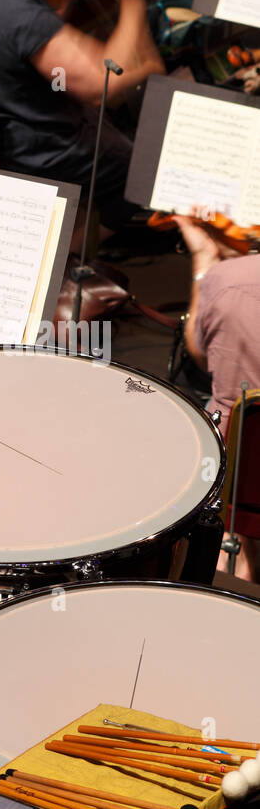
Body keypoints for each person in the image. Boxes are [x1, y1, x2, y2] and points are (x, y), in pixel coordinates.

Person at [0, 0, 164, 233]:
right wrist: (133, 4)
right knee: (144, 167)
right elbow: (103, 86)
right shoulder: (25, 19)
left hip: (9, 120)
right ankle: (71, 253)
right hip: (38, 154)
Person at [176, 215, 260, 580]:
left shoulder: (231, 280)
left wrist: (205, 262)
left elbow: (199, 352)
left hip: (243, 469)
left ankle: (233, 551)